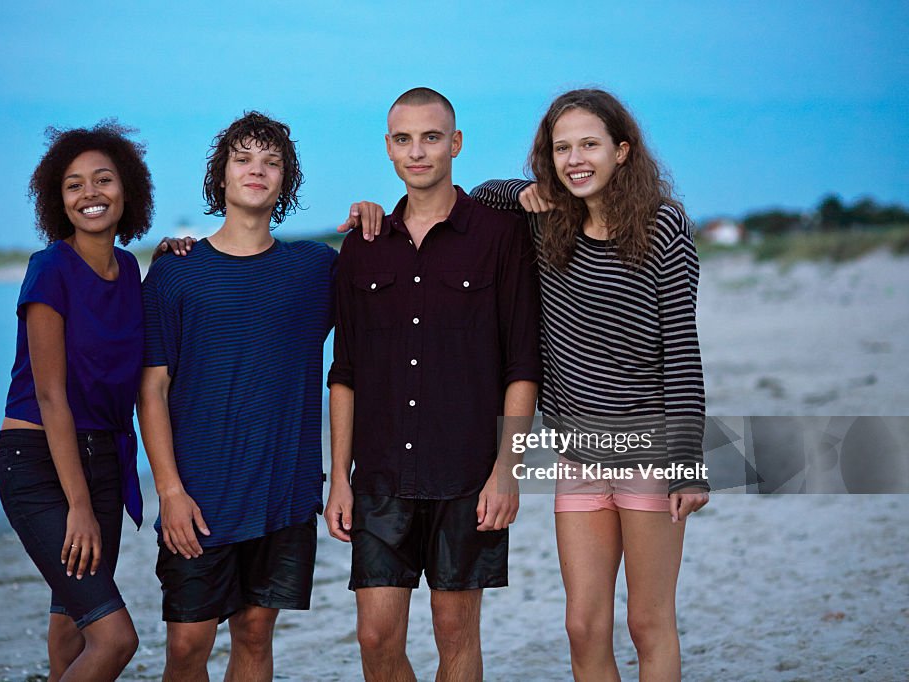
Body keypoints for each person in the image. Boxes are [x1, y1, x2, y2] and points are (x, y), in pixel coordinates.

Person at [470, 88, 710, 681]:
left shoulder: (662, 225)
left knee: (648, 622)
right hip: (577, 454)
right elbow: (480, 197)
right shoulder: (549, 226)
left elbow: (680, 346)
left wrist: (689, 461)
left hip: (649, 452)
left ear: (622, 151)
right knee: (583, 625)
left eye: (589, 145)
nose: (576, 159)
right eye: (561, 149)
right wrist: (532, 193)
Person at [325, 87, 542, 682]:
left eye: (430, 137)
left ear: (456, 143)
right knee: (376, 636)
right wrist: (338, 479)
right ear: (388, 149)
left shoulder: (501, 238)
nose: (417, 151)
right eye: (403, 139)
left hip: (467, 474)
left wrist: (508, 472)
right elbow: (343, 373)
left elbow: (522, 367)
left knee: (455, 632)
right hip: (379, 477)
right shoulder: (361, 247)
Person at [138, 111, 335, 682]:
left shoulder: (314, 268)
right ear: (219, 178)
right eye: (243, 159)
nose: (258, 170)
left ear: (285, 182)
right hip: (198, 496)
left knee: (254, 634)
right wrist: (169, 492)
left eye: (271, 162)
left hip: (283, 490)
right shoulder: (177, 273)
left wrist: (374, 216)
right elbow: (151, 388)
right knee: (187, 646)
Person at [0, 121, 153, 681]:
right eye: (74, 185)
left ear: (127, 190)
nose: (90, 193)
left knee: (72, 625)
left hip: (104, 459)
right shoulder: (51, 269)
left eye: (103, 180)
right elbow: (50, 394)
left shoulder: (131, 269)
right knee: (115, 639)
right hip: (39, 461)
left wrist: (181, 250)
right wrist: (79, 505)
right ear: (57, 201)